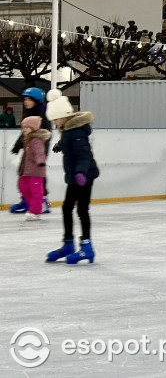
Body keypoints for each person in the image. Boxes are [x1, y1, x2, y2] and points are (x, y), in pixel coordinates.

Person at [44, 89, 99, 264]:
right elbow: (71, 140)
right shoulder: (69, 130)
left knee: (81, 209)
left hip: (83, 176)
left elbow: (83, 155)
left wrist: (81, 173)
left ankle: (87, 247)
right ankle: (68, 244)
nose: (54, 123)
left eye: (56, 119)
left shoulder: (75, 133)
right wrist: (61, 144)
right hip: (76, 175)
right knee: (67, 208)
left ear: (65, 116)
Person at [9, 87, 52, 214]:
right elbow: (25, 133)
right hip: (29, 149)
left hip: (38, 151)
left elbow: (44, 135)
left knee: (36, 176)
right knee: (24, 174)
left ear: (36, 100)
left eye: (28, 99)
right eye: (24, 99)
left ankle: (41, 201)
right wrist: (18, 145)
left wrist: (40, 153)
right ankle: (27, 200)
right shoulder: (30, 113)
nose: (25, 102)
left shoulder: (41, 116)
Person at [17, 116, 49, 221]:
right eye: (23, 128)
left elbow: (39, 152)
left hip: (36, 170)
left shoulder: (36, 140)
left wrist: (40, 161)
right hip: (27, 170)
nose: (24, 130)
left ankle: (35, 211)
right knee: (22, 186)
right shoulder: (28, 139)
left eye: (27, 127)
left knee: (35, 190)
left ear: (33, 128)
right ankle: (37, 206)